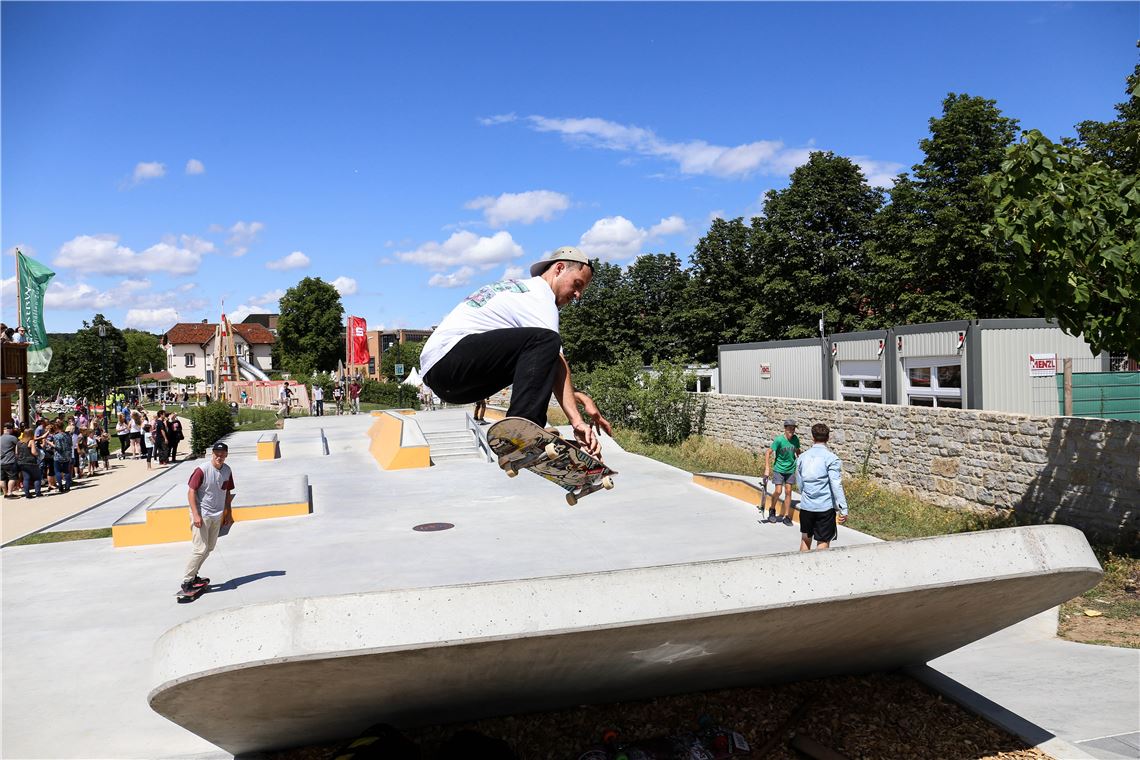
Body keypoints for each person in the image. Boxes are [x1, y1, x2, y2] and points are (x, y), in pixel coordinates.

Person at [420, 247, 611, 456]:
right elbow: (557, 360)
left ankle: (519, 440)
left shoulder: (522, 291)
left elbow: (538, 371)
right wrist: (577, 421)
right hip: (448, 359)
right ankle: (523, 431)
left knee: (542, 353)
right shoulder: (540, 295)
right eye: (577, 285)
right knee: (547, 340)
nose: (577, 295)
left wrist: (575, 397)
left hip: (451, 381)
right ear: (559, 268)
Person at [180, 441, 235, 595]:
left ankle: (194, 575)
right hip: (202, 515)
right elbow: (191, 492)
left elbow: (227, 493)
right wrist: (196, 514)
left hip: (216, 515)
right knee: (200, 549)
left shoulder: (227, 470)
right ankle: (187, 581)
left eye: (223, 454)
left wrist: (228, 513)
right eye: (217, 454)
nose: (220, 456)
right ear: (212, 454)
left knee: (209, 547)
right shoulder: (202, 470)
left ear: (226, 455)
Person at [795, 423, 849, 551]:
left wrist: (806, 495)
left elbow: (800, 483)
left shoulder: (802, 457)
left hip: (807, 506)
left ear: (812, 437)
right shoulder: (831, 458)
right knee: (823, 541)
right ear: (828, 438)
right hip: (825, 507)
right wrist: (843, 508)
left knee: (805, 539)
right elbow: (836, 484)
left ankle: (802, 567)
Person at [764, 419, 802, 526]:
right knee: (778, 491)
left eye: (793, 429)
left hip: (790, 469)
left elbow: (798, 451)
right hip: (779, 469)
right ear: (785, 429)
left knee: (789, 491)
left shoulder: (795, 439)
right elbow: (768, 452)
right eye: (790, 428)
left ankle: (787, 516)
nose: (792, 430)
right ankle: (772, 509)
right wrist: (767, 468)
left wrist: (803, 462)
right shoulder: (779, 440)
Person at [16, 429, 41, 498]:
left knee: (26, 478)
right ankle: (38, 493)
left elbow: (16, 453)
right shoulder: (31, 441)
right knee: (37, 477)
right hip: (31, 462)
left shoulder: (18, 442)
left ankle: (27, 494)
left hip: (21, 462)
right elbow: (33, 452)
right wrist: (38, 454)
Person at [50, 422, 74, 493]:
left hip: (59, 456)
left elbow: (58, 447)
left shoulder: (57, 436)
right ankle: (67, 486)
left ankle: (60, 486)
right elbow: (71, 444)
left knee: (58, 471)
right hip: (67, 455)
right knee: (66, 471)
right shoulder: (68, 435)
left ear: (57, 427)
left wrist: (51, 444)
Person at [1, 422, 20, 498]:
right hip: (10, 461)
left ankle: (5, 493)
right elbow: (19, 445)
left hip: (1, 462)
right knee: (12, 477)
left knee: (2, 479)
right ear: (10, 429)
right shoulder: (13, 438)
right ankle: (9, 493)